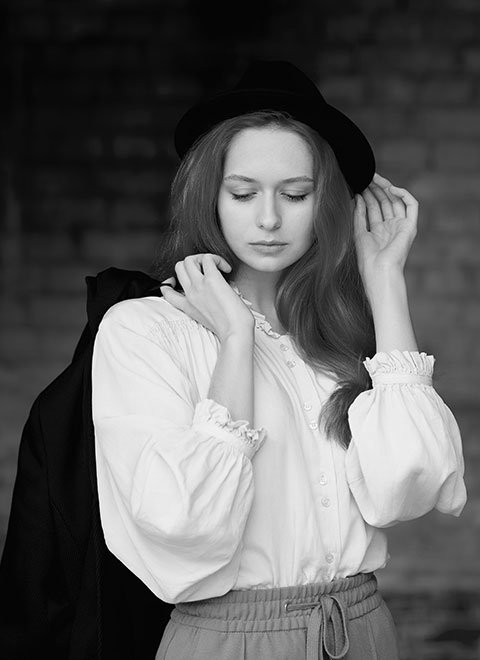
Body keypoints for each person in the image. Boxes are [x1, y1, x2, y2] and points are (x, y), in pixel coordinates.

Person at [91, 61, 467, 660]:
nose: (268, 219)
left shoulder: (340, 334)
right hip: (228, 638)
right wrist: (236, 339)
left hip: (364, 629)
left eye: (295, 195)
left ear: (326, 203)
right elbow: (185, 526)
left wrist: (383, 279)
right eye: (243, 193)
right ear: (209, 196)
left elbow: (409, 488)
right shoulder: (146, 330)